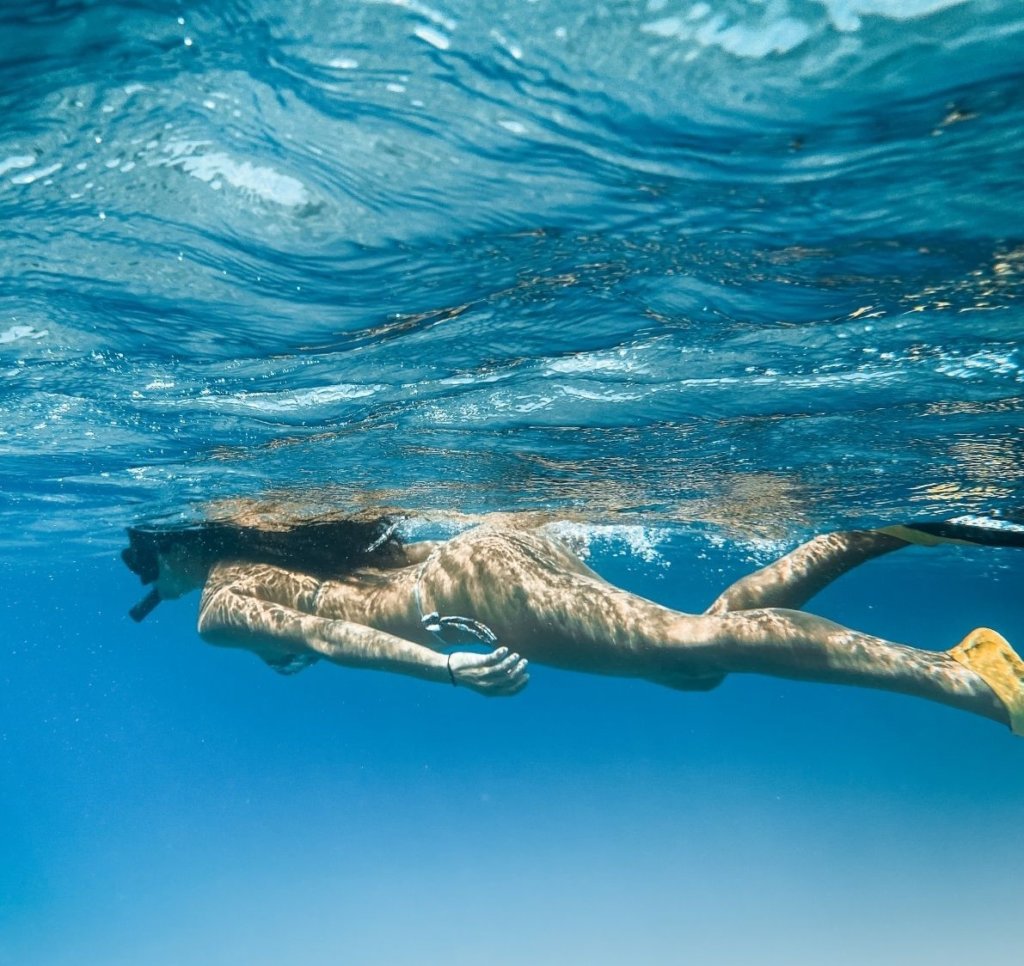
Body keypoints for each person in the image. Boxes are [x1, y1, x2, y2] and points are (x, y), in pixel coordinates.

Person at [122, 511, 1024, 733]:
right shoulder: (284, 550)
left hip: (471, 589)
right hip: (490, 551)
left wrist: (440, 669)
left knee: (688, 645)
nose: (148, 581)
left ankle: (967, 678)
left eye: (142, 562)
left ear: (173, 549)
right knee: (690, 657)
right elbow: (320, 628)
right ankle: (872, 533)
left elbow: (327, 637)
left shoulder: (215, 606)